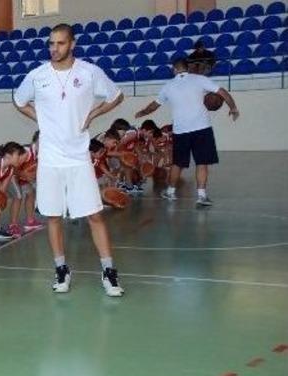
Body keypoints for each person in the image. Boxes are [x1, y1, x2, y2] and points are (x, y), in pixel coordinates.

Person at [13, 23, 126, 297]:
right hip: (50, 159)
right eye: (51, 43)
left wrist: (96, 112)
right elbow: (19, 100)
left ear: (72, 44)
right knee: (52, 217)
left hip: (78, 157)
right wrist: (40, 118)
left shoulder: (89, 72)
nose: (54, 48)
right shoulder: (37, 75)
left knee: (95, 216)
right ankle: (61, 268)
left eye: (60, 43)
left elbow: (117, 95)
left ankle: (109, 272)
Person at [135, 58, 239, 206]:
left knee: (178, 163)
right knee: (202, 163)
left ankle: (170, 192)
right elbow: (222, 92)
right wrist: (233, 107)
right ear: (188, 68)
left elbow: (154, 105)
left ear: (174, 69)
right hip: (202, 128)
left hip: (181, 130)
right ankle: (202, 196)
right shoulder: (199, 79)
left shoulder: (168, 86)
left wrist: (142, 112)